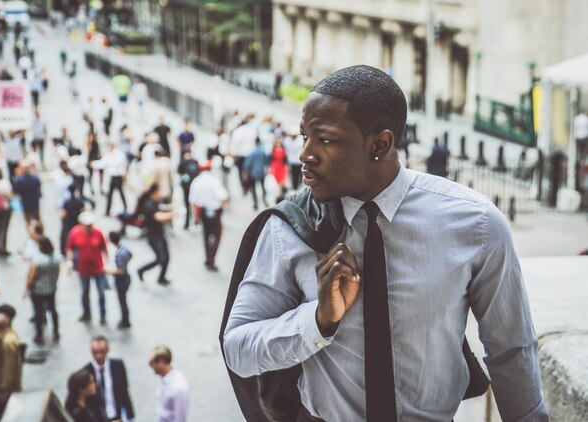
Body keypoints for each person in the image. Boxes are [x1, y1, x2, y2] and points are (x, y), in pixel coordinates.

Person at [222, 65, 548, 421]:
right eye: (304, 137)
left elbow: (510, 349)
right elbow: (238, 348)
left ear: (380, 144)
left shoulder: (476, 224)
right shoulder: (290, 228)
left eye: (326, 140)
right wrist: (318, 320)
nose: (306, 154)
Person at [65, 212, 109, 324]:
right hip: (83, 269)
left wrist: (106, 263)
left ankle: (103, 315)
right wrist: (69, 262)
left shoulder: (98, 233)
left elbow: (104, 248)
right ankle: (86, 313)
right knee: (84, 292)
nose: (89, 227)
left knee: (101, 293)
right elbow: (69, 248)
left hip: (98, 268)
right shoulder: (75, 233)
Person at [82, 336, 135, 422]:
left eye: (102, 352)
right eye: (95, 352)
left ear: (108, 350)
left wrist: (130, 416)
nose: (99, 356)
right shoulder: (86, 372)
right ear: (91, 352)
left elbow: (125, 391)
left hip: (117, 416)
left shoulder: (118, 366)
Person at [189, 160, 228, 271]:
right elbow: (223, 196)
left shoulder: (196, 182)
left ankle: (207, 257)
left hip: (203, 212)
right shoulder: (214, 181)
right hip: (215, 212)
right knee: (217, 235)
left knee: (206, 235)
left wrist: (195, 216)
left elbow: (192, 201)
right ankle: (211, 258)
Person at [0, 304, 22, 420]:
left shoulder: (8, 342)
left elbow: (8, 367)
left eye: (0, 315)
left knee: (3, 411)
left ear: (8, 319)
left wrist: (4, 389)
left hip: (5, 388)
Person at [23, 236, 60, 344]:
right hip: (51, 289)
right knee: (52, 310)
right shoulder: (54, 258)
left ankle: (39, 334)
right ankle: (55, 331)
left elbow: (31, 275)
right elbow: (57, 272)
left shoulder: (37, 260)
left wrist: (26, 288)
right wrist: (54, 282)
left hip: (38, 290)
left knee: (38, 312)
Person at [136, 184, 173, 285]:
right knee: (161, 259)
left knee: (165, 258)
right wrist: (173, 214)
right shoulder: (148, 205)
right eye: (158, 192)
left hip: (160, 234)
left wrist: (172, 207)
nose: (160, 194)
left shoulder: (155, 202)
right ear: (153, 193)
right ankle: (142, 270)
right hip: (153, 236)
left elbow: (162, 207)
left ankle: (161, 278)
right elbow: (158, 216)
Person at [149, 346, 189, 422]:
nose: (149, 365)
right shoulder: (163, 378)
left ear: (161, 362)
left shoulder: (179, 388)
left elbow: (180, 419)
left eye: (151, 362)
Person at [91, 143, 127, 216]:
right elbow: (103, 163)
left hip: (118, 176)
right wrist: (94, 164)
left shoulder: (119, 154)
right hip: (112, 177)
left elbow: (115, 164)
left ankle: (125, 208)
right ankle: (107, 210)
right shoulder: (108, 155)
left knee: (120, 192)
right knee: (111, 194)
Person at [108, 231, 132, 329]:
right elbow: (130, 255)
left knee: (122, 301)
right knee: (123, 300)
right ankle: (125, 320)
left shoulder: (118, 255)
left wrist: (109, 271)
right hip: (126, 277)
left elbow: (120, 271)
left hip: (121, 279)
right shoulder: (123, 248)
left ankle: (125, 321)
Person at [242, 137, 269, 210]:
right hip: (261, 172)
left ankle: (255, 203)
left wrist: (245, 173)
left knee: (253, 188)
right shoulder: (263, 151)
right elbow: (266, 162)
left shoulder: (252, 152)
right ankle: (264, 200)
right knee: (263, 187)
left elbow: (247, 164)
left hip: (253, 173)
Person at [13, 160, 42, 224]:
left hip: (25, 203)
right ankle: (40, 232)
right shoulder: (35, 178)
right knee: (38, 218)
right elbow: (39, 187)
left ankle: (31, 233)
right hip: (35, 202)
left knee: (28, 221)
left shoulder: (19, 180)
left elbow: (15, 191)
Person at [60, 184, 85, 256]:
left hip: (69, 224)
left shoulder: (66, 202)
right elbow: (84, 211)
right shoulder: (80, 201)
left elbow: (63, 214)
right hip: (77, 223)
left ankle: (66, 253)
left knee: (67, 239)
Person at [177, 151, 199, 230]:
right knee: (195, 205)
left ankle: (187, 223)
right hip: (194, 187)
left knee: (187, 204)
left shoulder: (182, 162)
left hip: (186, 187)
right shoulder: (195, 161)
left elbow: (178, 171)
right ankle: (196, 222)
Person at [269, 135, 288, 201]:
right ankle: (280, 194)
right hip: (275, 166)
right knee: (277, 181)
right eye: (277, 142)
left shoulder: (283, 150)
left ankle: (281, 194)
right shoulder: (273, 150)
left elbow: (285, 160)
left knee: (282, 180)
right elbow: (271, 160)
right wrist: (271, 168)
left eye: (279, 142)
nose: (278, 144)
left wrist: (286, 167)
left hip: (281, 167)